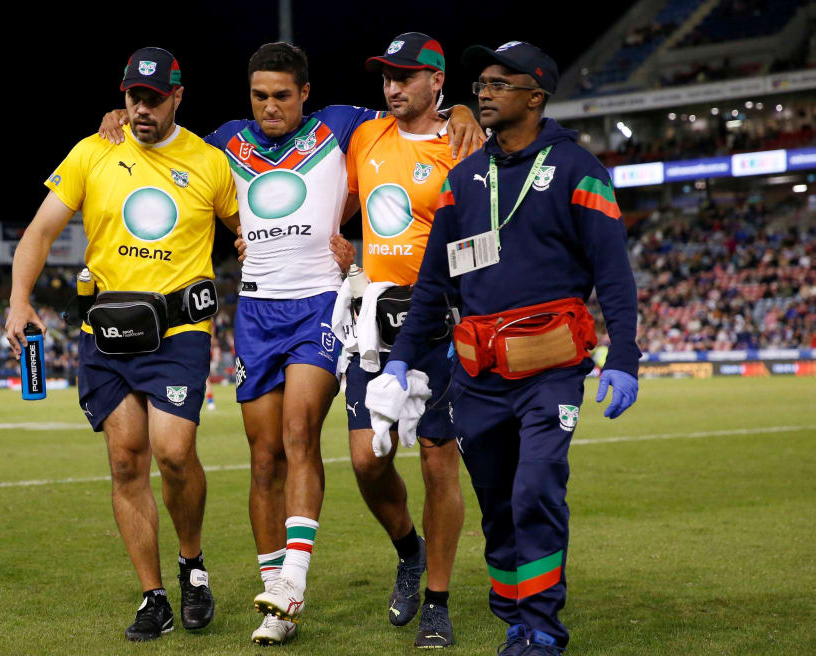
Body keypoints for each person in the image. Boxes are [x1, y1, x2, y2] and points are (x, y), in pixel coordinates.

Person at [100, 41, 480, 646]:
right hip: (255, 309)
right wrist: (122, 119)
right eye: (259, 96)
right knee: (263, 455)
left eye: (282, 95)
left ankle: (292, 586)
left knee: (300, 432)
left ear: (305, 93)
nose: (270, 106)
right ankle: (276, 597)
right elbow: (172, 154)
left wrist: (462, 110)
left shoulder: (342, 125)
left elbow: (416, 120)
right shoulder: (223, 140)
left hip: (322, 306)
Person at [376, 41, 641, 655]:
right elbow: (434, 283)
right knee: (497, 505)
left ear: (535, 96)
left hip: (550, 371)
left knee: (536, 490)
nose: (484, 91)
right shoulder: (462, 179)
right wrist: (398, 362)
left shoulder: (579, 169)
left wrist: (623, 359)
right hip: (476, 377)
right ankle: (514, 614)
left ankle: (543, 629)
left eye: (500, 82)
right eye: (481, 83)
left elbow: (615, 276)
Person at [5, 47, 239, 644]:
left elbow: (250, 232)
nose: (141, 108)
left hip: (179, 331)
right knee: (125, 459)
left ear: (178, 98)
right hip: (105, 333)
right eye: (133, 96)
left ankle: (193, 567)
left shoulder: (210, 163)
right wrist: (18, 300)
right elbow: (38, 231)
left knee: (174, 451)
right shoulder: (93, 151)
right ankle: (152, 596)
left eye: (154, 99)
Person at [333, 32, 481, 649]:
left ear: (437, 81)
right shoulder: (365, 136)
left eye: (406, 76)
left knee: (438, 462)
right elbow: (294, 144)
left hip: (440, 326)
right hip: (372, 324)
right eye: (387, 77)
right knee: (368, 460)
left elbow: (486, 242)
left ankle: (439, 603)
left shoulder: (465, 147)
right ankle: (408, 552)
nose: (393, 87)